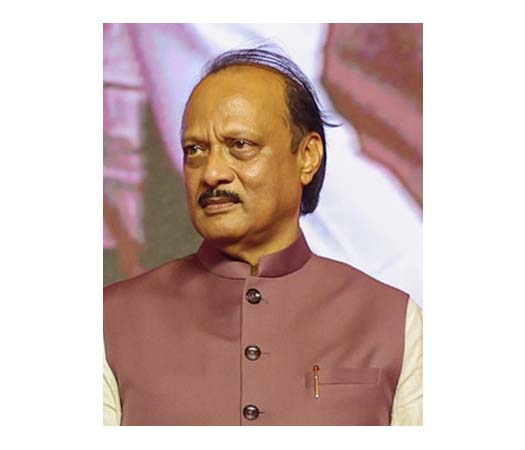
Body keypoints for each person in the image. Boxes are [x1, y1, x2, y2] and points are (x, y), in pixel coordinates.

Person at [103, 48, 422, 426]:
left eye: (240, 145)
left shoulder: (394, 322)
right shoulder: (109, 321)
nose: (212, 173)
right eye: (195, 150)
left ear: (307, 156)